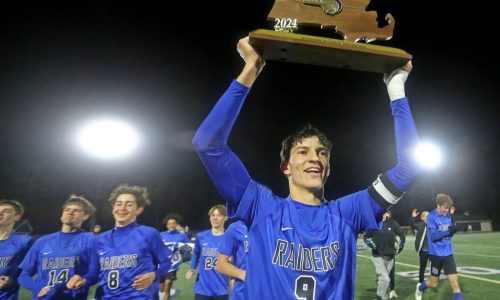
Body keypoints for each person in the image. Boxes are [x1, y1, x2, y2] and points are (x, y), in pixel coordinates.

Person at [192, 35, 422, 299]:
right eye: (303, 152)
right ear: (285, 167)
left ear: (328, 168)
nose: (315, 157)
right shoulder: (261, 206)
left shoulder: (349, 212)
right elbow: (207, 143)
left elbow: (410, 167)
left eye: (322, 153)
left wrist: (396, 89)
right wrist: (251, 68)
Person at [94, 184, 171, 300]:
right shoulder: (100, 239)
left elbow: (166, 262)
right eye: (118, 203)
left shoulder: (149, 233)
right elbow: (93, 271)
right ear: (113, 208)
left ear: (139, 209)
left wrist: (155, 275)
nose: (122, 208)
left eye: (129, 204)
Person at [19, 195, 99, 299]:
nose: (70, 212)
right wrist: (38, 287)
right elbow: (24, 275)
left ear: (85, 216)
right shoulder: (43, 241)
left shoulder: (91, 240)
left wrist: (84, 280)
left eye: (77, 210)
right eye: (67, 209)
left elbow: (95, 272)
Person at [415, 194, 462, 300]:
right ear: (438, 206)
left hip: (448, 253)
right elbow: (433, 237)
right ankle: (420, 288)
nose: (446, 211)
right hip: (436, 255)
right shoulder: (431, 217)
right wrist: (448, 231)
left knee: (455, 283)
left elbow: (449, 234)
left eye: (447, 209)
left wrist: (453, 231)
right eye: (444, 209)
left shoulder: (448, 215)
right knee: (433, 283)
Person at [185, 205, 229, 300]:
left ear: (225, 218)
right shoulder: (201, 236)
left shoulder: (230, 238)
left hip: (221, 289)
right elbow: (196, 253)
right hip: (202, 289)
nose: (215, 218)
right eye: (212, 215)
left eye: (219, 215)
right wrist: (192, 268)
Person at [364, 211, 405, 299]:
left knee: (383, 281)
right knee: (386, 279)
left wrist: (401, 243)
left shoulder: (393, 223)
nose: (384, 214)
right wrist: (369, 242)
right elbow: (366, 236)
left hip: (390, 257)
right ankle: (378, 296)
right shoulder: (374, 222)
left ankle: (384, 297)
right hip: (377, 256)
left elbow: (401, 234)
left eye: (386, 212)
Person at [0, 199, 33, 300]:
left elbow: (38, 267)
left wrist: (12, 280)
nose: (0, 213)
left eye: (7, 211)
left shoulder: (24, 242)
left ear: (17, 217)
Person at [159, 213, 190, 300]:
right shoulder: (161, 235)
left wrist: (182, 253)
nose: (171, 225)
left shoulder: (182, 236)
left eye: (173, 223)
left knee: (167, 286)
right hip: (161, 265)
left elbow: (188, 248)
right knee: (161, 289)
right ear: (166, 225)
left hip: (173, 265)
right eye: (169, 224)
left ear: (176, 224)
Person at [216, 220, 249, 299]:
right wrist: (244, 275)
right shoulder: (236, 228)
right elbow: (220, 264)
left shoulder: (274, 227)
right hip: (242, 295)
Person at [409, 208, 429, 284]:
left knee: (434, 267)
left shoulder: (433, 225)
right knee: (422, 267)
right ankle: (421, 281)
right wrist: (413, 217)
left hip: (433, 251)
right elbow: (412, 225)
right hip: (424, 250)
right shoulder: (420, 225)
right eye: (427, 216)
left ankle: (433, 282)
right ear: (423, 218)